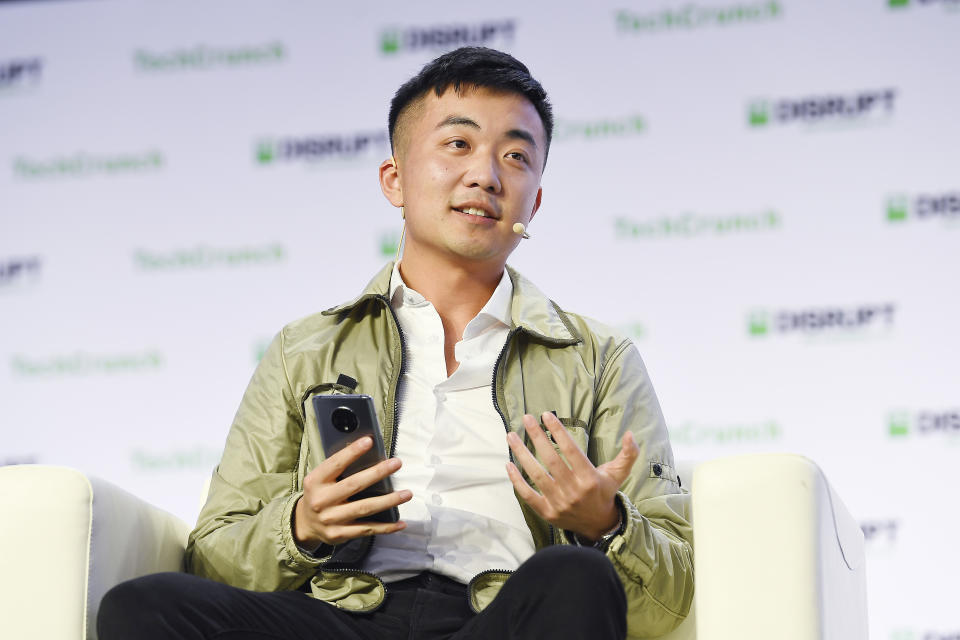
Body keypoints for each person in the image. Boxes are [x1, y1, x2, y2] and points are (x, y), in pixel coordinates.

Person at [98, 46, 693, 640]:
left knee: (574, 575)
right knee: (145, 606)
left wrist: (604, 525)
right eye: (458, 144)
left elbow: (672, 596)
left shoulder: (597, 357)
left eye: (515, 156)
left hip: (504, 620)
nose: (486, 174)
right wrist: (301, 526)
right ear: (395, 180)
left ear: (533, 201)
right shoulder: (304, 349)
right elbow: (213, 557)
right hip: (340, 619)